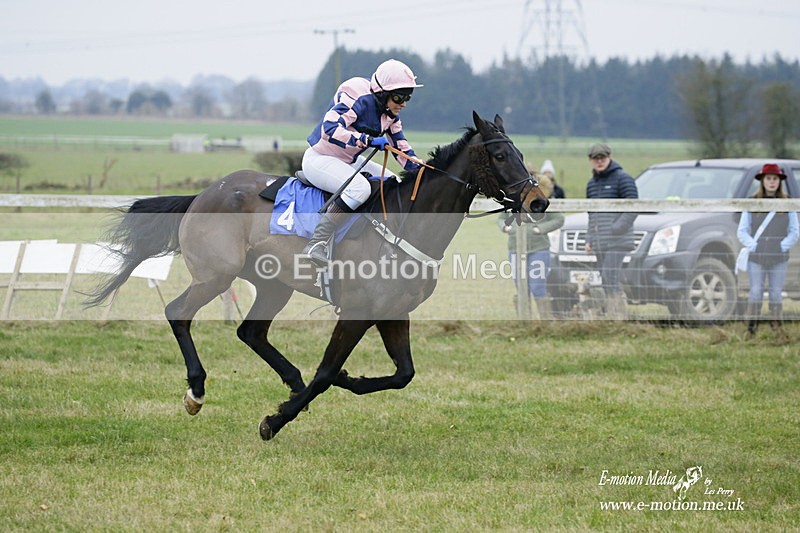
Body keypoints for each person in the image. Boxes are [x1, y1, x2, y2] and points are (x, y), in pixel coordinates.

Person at [302, 59, 424, 266]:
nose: (403, 103)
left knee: (394, 182)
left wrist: (424, 169)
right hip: (320, 159)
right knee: (360, 189)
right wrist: (366, 140)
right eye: (399, 97)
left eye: (407, 98)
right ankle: (317, 243)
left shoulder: (391, 114)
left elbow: (401, 148)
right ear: (383, 93)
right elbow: (329, 128)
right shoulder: (356, 93)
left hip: (348, 161)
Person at [737, 163, 799, 338]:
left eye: (775, 179)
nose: (772, 182)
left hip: (779, 256)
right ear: (762, 181)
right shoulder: (752, 202)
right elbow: (742, 231)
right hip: (757, 256)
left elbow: (794, 231)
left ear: (780, 182)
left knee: (776, 292)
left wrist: (781, 246)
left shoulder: (788, 203)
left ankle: (777, 327)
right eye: (769, 178)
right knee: (756, 291)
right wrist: (755, 246)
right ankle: (751, 328)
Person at [498, 173, 565, 319]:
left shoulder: (541, 197)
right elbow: (502, 218)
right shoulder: (511, 199)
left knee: (537, 287)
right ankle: (525, 322)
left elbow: (559, 219)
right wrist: (505, 227)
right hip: (515, 249)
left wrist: (540, 229)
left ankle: (546, 322)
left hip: (538, 248)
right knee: (521, 287)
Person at [584, 143, 638, 320]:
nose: (599, 161)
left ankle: (618, 316)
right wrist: (589, 239)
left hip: (618, 240)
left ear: (609, 157)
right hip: (600, 241)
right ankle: (612, 315)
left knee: (610, 276)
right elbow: (591, 214)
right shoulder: (592, 184)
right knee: (605, 279)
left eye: (602, 158)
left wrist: (616, 229)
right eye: (595, 158)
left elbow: (633, 208)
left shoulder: (623, 178)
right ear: (590, 160)